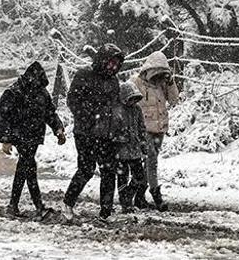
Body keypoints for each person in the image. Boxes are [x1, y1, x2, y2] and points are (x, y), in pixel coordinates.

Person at [0, 61, 66, 219]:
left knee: (25, 168)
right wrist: (6, 140)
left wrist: (58, 129)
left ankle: (15, 206)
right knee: (29, 167)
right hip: (20, 136)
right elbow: (2, 117)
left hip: (33, 137)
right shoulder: (14, 92)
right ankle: (36, 206)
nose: (38, 86)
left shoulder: (41, 93)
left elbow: (50, 114)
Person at [62, 43, 124, 222]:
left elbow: (115, 105)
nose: (113, 67)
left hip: (107, 133)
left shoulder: (113, 81)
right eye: (111, 63)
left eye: (116, 65)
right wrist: (90, 117)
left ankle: (106, 212)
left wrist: (117, 125)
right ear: (103, 60)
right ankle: (67, 202)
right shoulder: (84, 75)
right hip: (85, 132)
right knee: (86, 169)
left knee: (108, 171)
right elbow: (72, 100)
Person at [131, 51, 179, 211]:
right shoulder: (136, 82)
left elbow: (174, 100)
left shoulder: (163, 85)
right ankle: (156, 195)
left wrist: (171, 82)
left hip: (159, 129)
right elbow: (127, 100)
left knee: (149, 164)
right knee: (151, 162)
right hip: (143, 130)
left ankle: (138, 195)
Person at [110, 80, 148, 213]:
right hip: (121, 151)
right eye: (130, 99)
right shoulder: (117, 111)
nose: (133, 102)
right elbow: (112, 131)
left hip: (135, 148)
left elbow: (141, 127)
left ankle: (128, 194)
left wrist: (143, 142)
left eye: (135, 99)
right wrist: (119, 138)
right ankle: (125, 202)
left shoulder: (137, 110)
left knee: (139, 175)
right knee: (122, 176)